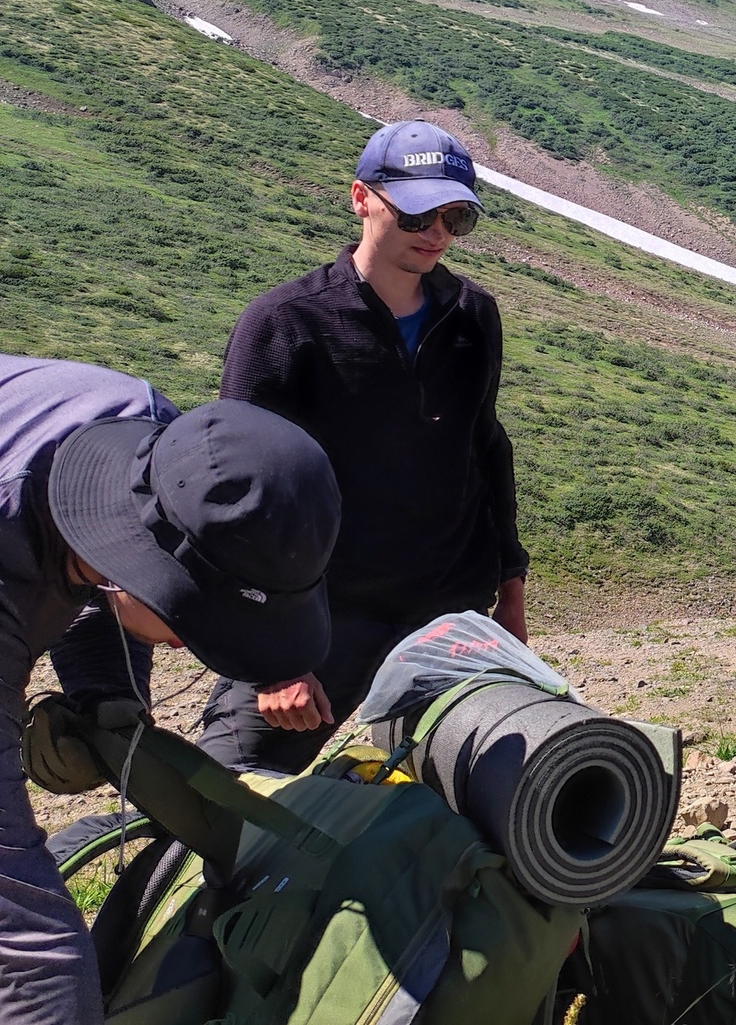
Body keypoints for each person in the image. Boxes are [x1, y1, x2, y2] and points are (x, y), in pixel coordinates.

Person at [0, 355, 340, 1024]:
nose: (198, 648)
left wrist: (103, 697)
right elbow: (24, 941)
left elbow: (88, 541)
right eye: (204, 627)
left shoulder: (161, 446)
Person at [198, 121, 528, 775]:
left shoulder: (473, 316)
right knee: (225, 801)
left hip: (445, 612)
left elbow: (485, 448)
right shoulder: (285, 325)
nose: (435, 230)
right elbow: (236, 495)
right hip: (320, 615)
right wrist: (274, 656)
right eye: (416, 210)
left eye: (455, 215)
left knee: (464, 804)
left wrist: (509, 596)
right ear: (361, 197)